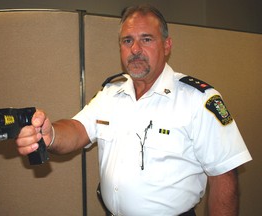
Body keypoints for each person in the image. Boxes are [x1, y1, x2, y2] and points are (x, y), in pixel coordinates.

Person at [16, 4, 252, 216]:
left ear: (167, 45)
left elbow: (223, 178)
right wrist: (51, 134)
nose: (135, 49)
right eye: (127, 41)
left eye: (146, 39)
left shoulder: (198, 101)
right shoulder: (111, 95)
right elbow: (77, 130)